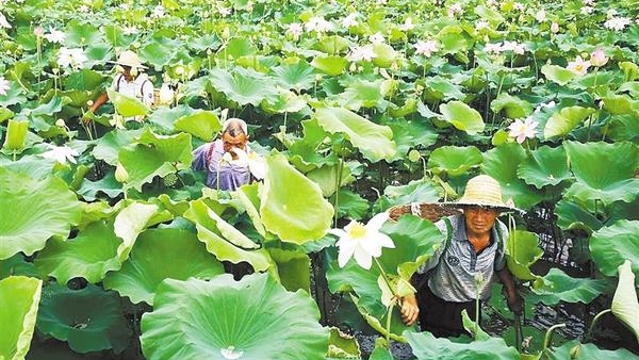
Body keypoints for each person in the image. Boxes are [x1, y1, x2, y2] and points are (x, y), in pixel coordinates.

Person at [400, 174, 523, 338]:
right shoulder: (443, 232)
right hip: (438, 305)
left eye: (487, 209)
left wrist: (512, 294)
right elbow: (411, 267)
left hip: (473, 306)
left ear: (497, 213)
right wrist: (408, 296)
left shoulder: (501, 233)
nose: (479, 218)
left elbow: (500, 267)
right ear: (464, 209)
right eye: (473, 209)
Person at [83, 50, 154, 123]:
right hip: (120, 122)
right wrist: (92, 109)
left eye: (126, 69)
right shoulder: (119, 79)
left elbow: (147, 109)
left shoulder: (145, 84)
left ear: (135, 68)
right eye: (122, 68)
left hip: (137, 124)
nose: (123, 72)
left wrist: (136, 124)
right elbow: (108, 95)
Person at [191, 117, 262, 191]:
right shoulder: (209, 150)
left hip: (239, 201)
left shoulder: (252, 158)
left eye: (238, 145)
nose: (232, 149)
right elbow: (189, 167)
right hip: (214, 200)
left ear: (246, 140)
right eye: (228, 144)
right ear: (222, 137)